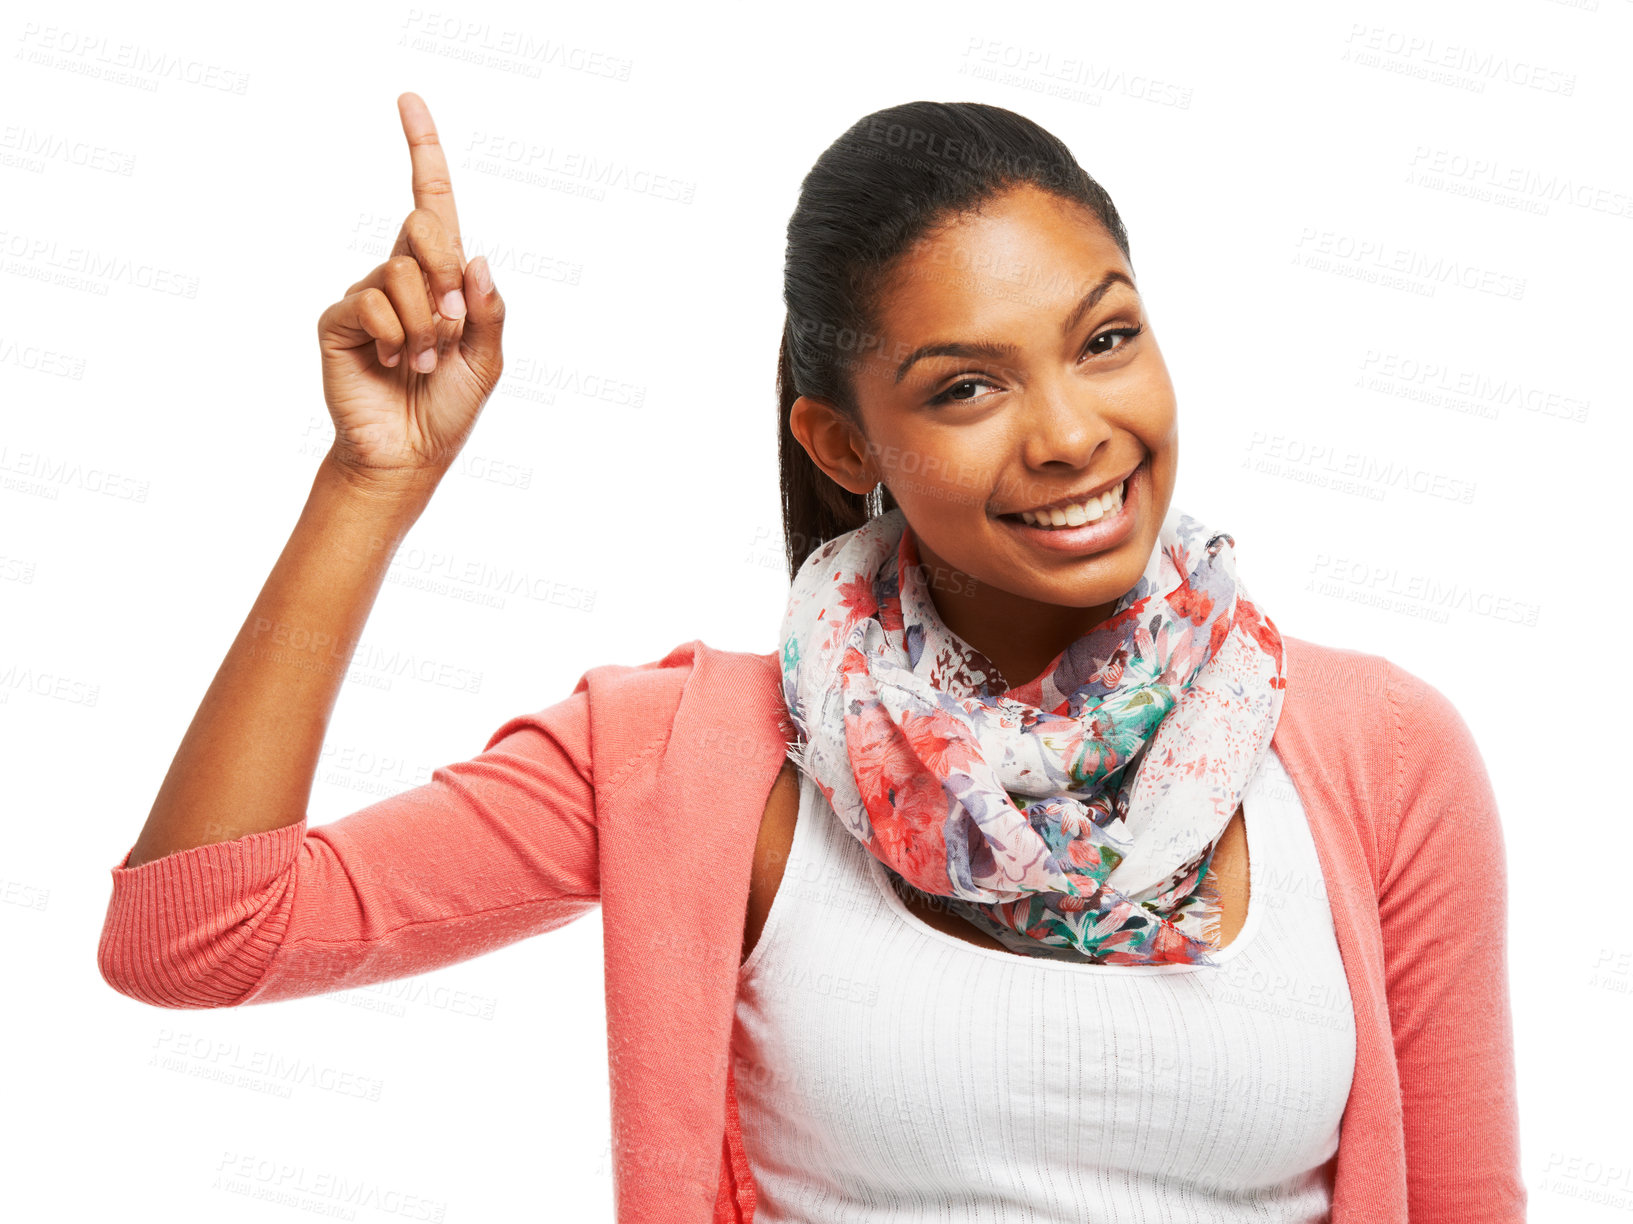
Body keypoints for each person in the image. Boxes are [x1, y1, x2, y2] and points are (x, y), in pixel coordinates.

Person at [98, 93, 1526, 1223]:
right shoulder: (685, 755)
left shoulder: (1374, 752)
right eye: (965, 385)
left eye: (1102, 339)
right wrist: (369, 484)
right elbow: (197, 935)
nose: (1069, 432)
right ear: (845, 448)